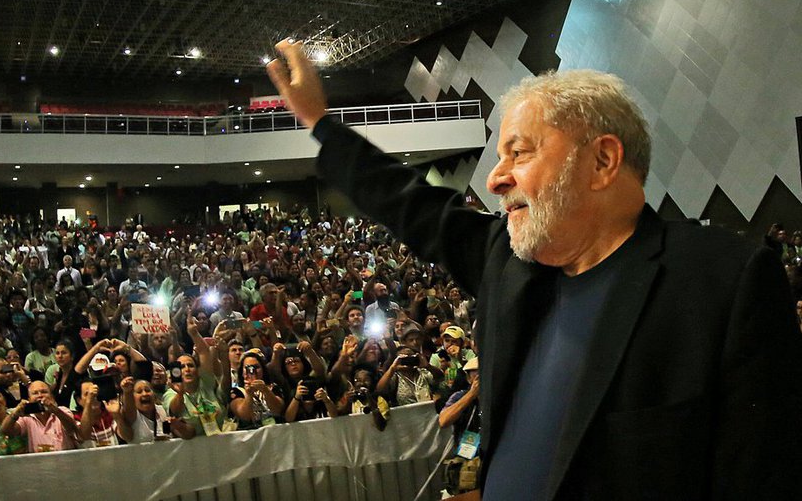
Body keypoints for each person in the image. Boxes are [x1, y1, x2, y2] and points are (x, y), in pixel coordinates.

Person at [266, 40, 802, 498]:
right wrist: (319, 122)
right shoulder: (508, 260)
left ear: (602, 161)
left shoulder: (721, 284)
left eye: (518, 153)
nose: (495, 179)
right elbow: (409, 203)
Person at [0, 380, 81, 453]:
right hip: (39, 466)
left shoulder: (63, 411)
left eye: (44, 392)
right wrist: (15, 413)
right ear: (29, 399)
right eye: (35, 393)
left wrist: (54, 410)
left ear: (52, 396)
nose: (40, 395)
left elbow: (72, 428)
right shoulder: (27, 418)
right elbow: (5, 430)